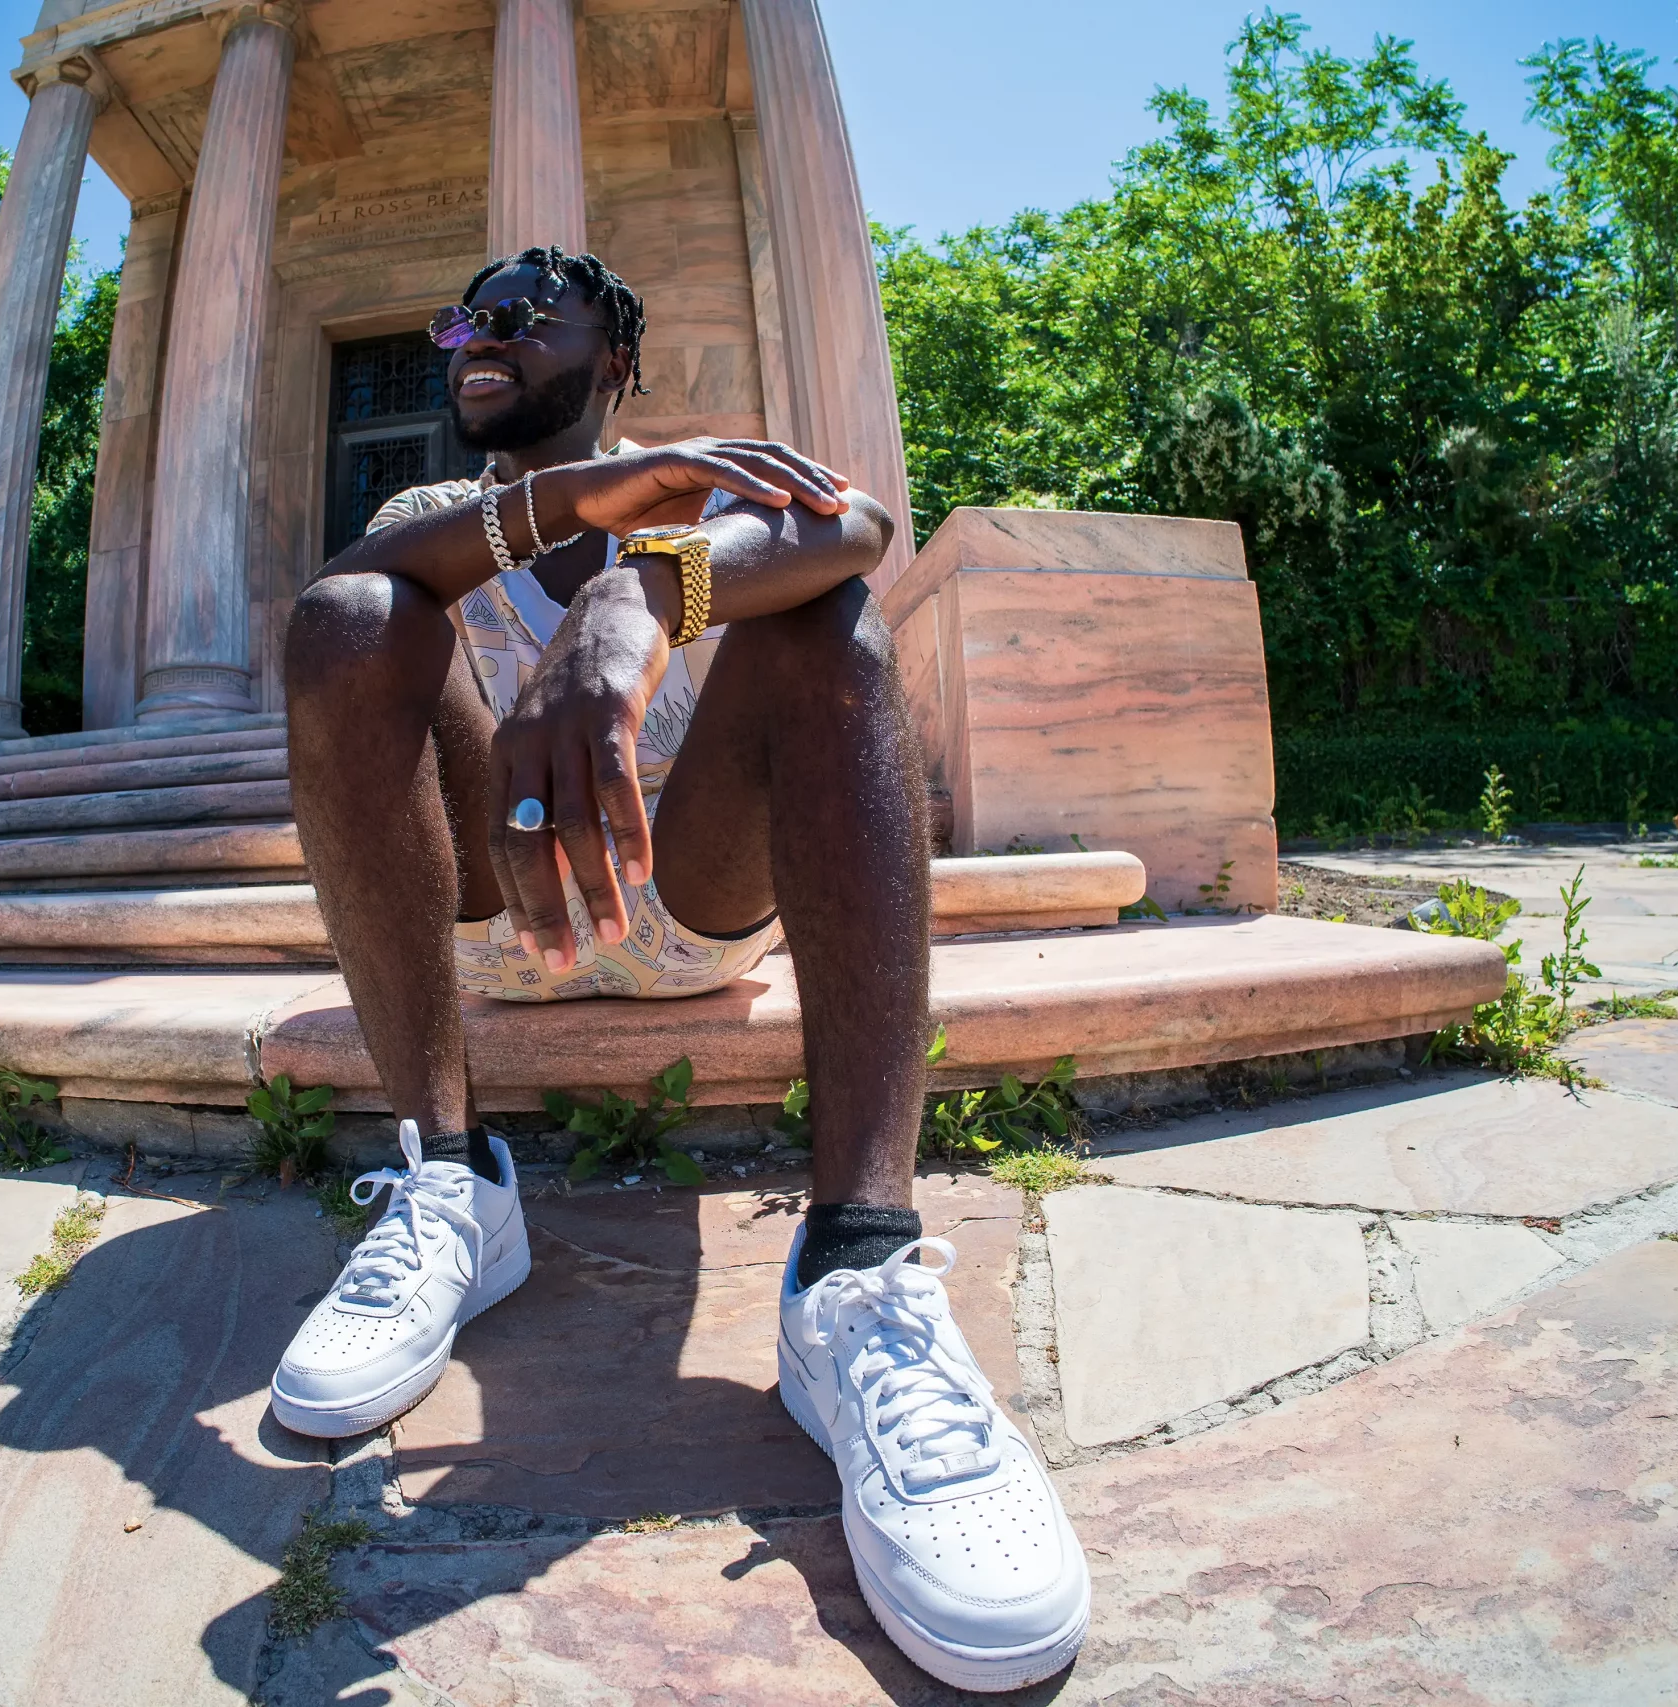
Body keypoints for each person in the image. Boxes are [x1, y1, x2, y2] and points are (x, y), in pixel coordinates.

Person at [269, 245, 1089, 1690]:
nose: (482, 332)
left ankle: (858, 1264)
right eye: (465, 312)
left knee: (827, 620)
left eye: (530, 314)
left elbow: (862, 522)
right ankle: (450, 1178)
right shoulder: (430, 510)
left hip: (688, 902)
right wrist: (573, 519)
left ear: (619, 364)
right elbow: (352, 614)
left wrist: (646, 592)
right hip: (489, 912)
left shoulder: (702, 482)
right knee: (351, 617)